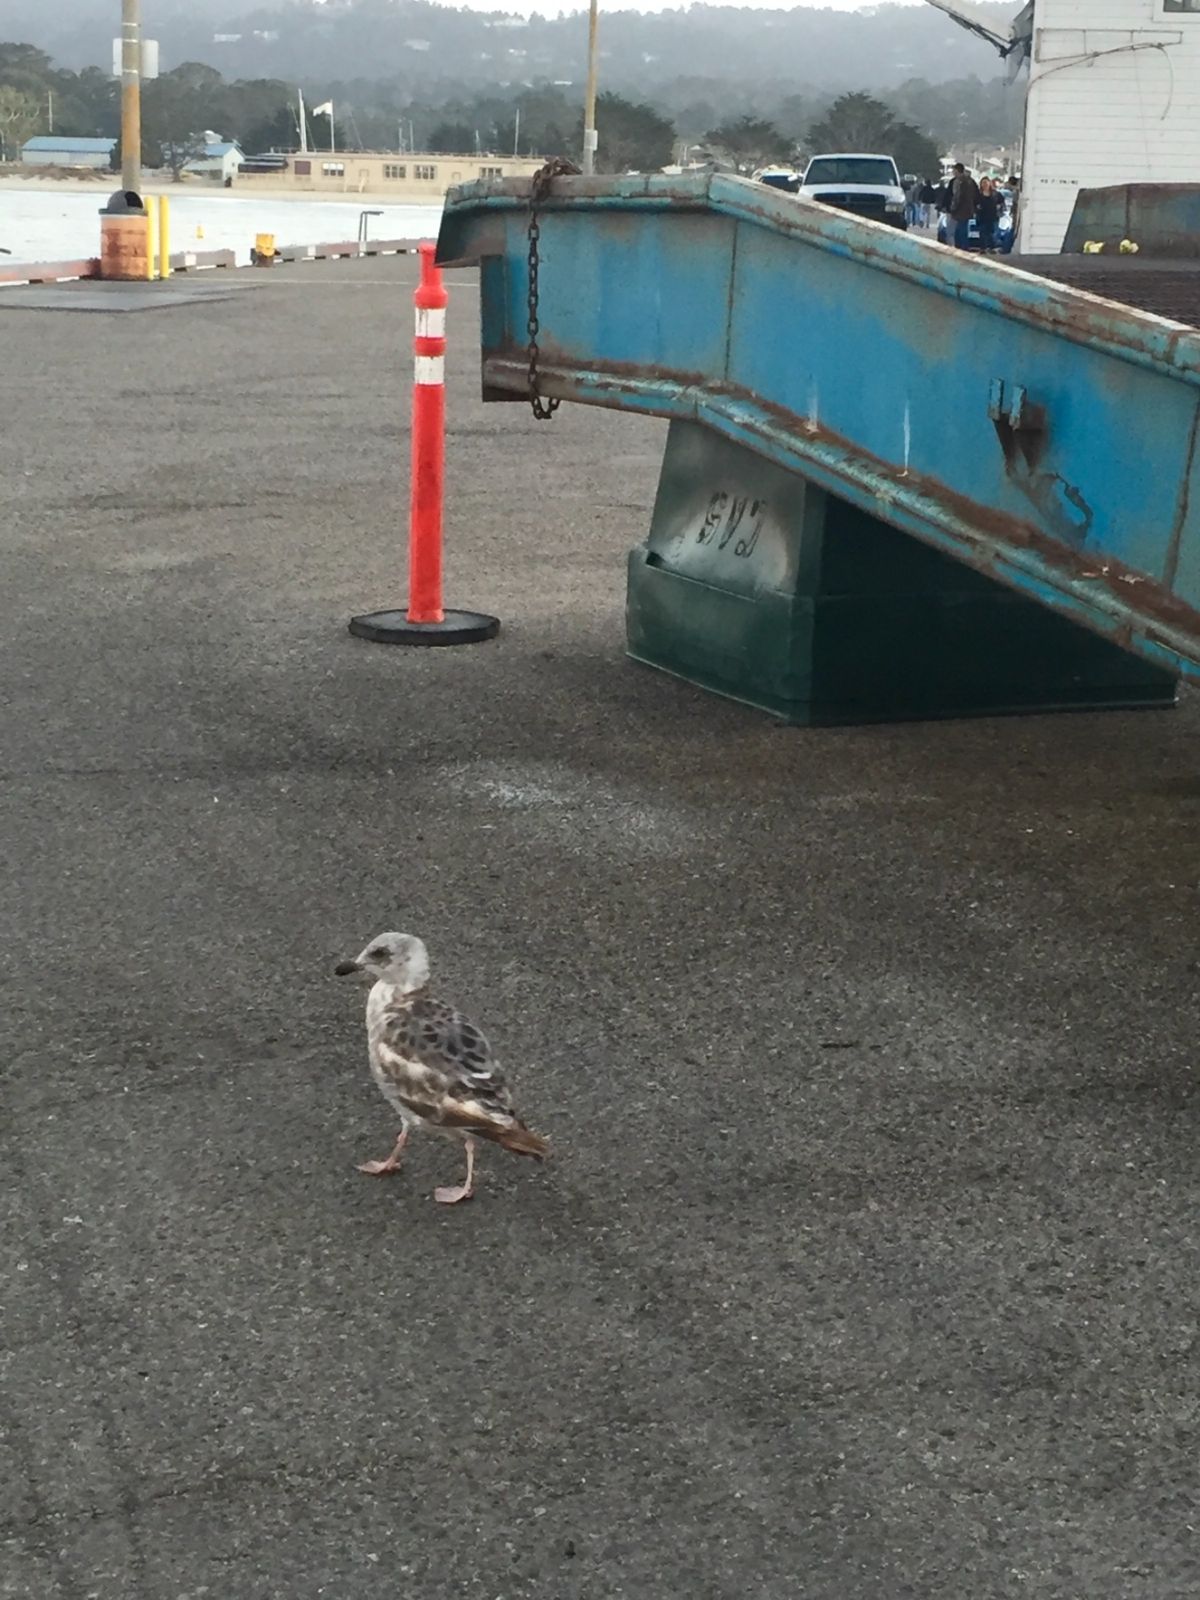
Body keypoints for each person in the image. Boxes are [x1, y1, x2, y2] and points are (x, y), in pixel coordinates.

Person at [947, 161, 980, 250]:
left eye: (954, 171)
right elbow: (976, 194)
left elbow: (957, 197)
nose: (953, 173)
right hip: (968, 209)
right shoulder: (971, 181)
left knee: (960, 230)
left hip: (960, 210)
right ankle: (963, 247)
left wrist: (953, 208)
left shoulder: (959, 182)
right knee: (963, 229)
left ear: (957, 171)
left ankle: (961, 248)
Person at [976, 176, 1003, 253]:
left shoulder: (996, 194)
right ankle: (983, 248)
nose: (985, 184)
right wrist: (977, 208)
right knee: (982, 233)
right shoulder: (978, 194)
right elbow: (974, 203)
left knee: (992, 233)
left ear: (990, 183)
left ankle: (992, 248)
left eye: (986, 182)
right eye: (983, 183)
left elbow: (1001, 203)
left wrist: (999, 208)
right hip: (982, 217)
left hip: (993, 217)